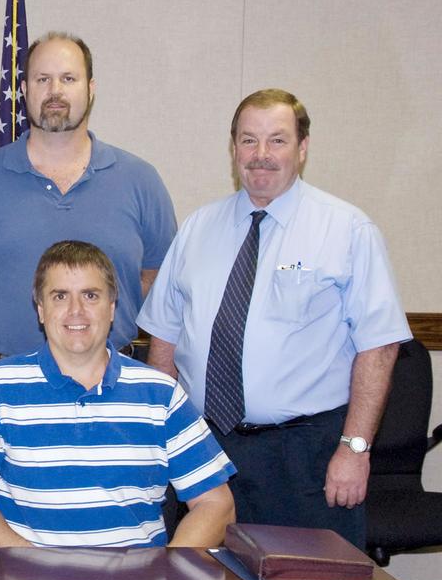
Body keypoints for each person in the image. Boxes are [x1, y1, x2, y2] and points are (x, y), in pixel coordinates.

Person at [138, 89, 409, 547]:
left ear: (302, 149)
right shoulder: (198, 229)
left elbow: (379, 347)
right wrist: (158, 441)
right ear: (233, 149)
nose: (261, 155)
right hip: (205, 451)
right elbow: (163, 341)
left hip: (305, 456)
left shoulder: (346, 230)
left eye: (277, 141)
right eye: (249, 140)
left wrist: (355, 449)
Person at [0, 240, 236, 548]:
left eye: (90, 295)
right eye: (60, 296)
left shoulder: (160, 394)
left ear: (111, 307)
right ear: (40, 309)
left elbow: (217, 504)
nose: (75, 311)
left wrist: (166, 574)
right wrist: (29, 561)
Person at [0, 32, 176, 384]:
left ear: (91, 88)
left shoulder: (140, 180)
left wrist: (86, 328)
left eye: (68, 78)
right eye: (43, 79)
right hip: (4, 380)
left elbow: (154, 275)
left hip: (112, 380)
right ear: (24, 89)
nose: (55, 91)